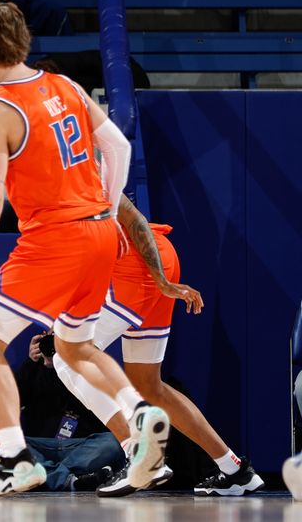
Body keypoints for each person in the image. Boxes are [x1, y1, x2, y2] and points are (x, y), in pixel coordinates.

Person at [0, 1, 169, 499]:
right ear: (23, 42)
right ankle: (140, 419)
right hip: (99, 233)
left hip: (54, 238)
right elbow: (119, 148)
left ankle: (14, 459)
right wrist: (107, 209)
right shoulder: (65, 85)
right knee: (75, 346)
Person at [49, 195, 264, 497]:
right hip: (145, 261)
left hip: (142, 260)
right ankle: (234, 469)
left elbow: (134, 219)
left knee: (66, 357)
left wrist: (161, 280)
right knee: (149, 385)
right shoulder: (35, 190)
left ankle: (141, 455)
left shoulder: (78, 168)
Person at [0, 333, 125, 491]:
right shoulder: (33, 368)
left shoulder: (88, 366)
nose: (53, 346)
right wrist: (32, 363)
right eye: (51, 338)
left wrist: (72, 364)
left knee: (112, 442)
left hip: (80, 447)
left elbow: (106, 413)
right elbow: (9, 405)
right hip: (38, 447)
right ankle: (70, 480)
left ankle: (42, 476)